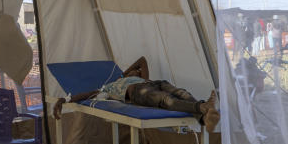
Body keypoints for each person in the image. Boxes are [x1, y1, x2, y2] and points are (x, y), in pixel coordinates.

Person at [51, 56, 219, 131]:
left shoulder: (143, 78)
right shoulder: (109, 87)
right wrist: (63, 100)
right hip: (138, 92)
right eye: (136, 71)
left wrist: (128, 73)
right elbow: (85, 95)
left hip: (155, 83)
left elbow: (142, 60)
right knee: (166, 100)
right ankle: (204, 108)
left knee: (181, 92)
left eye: (138, 71)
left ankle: (204, 117)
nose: (138, 71)